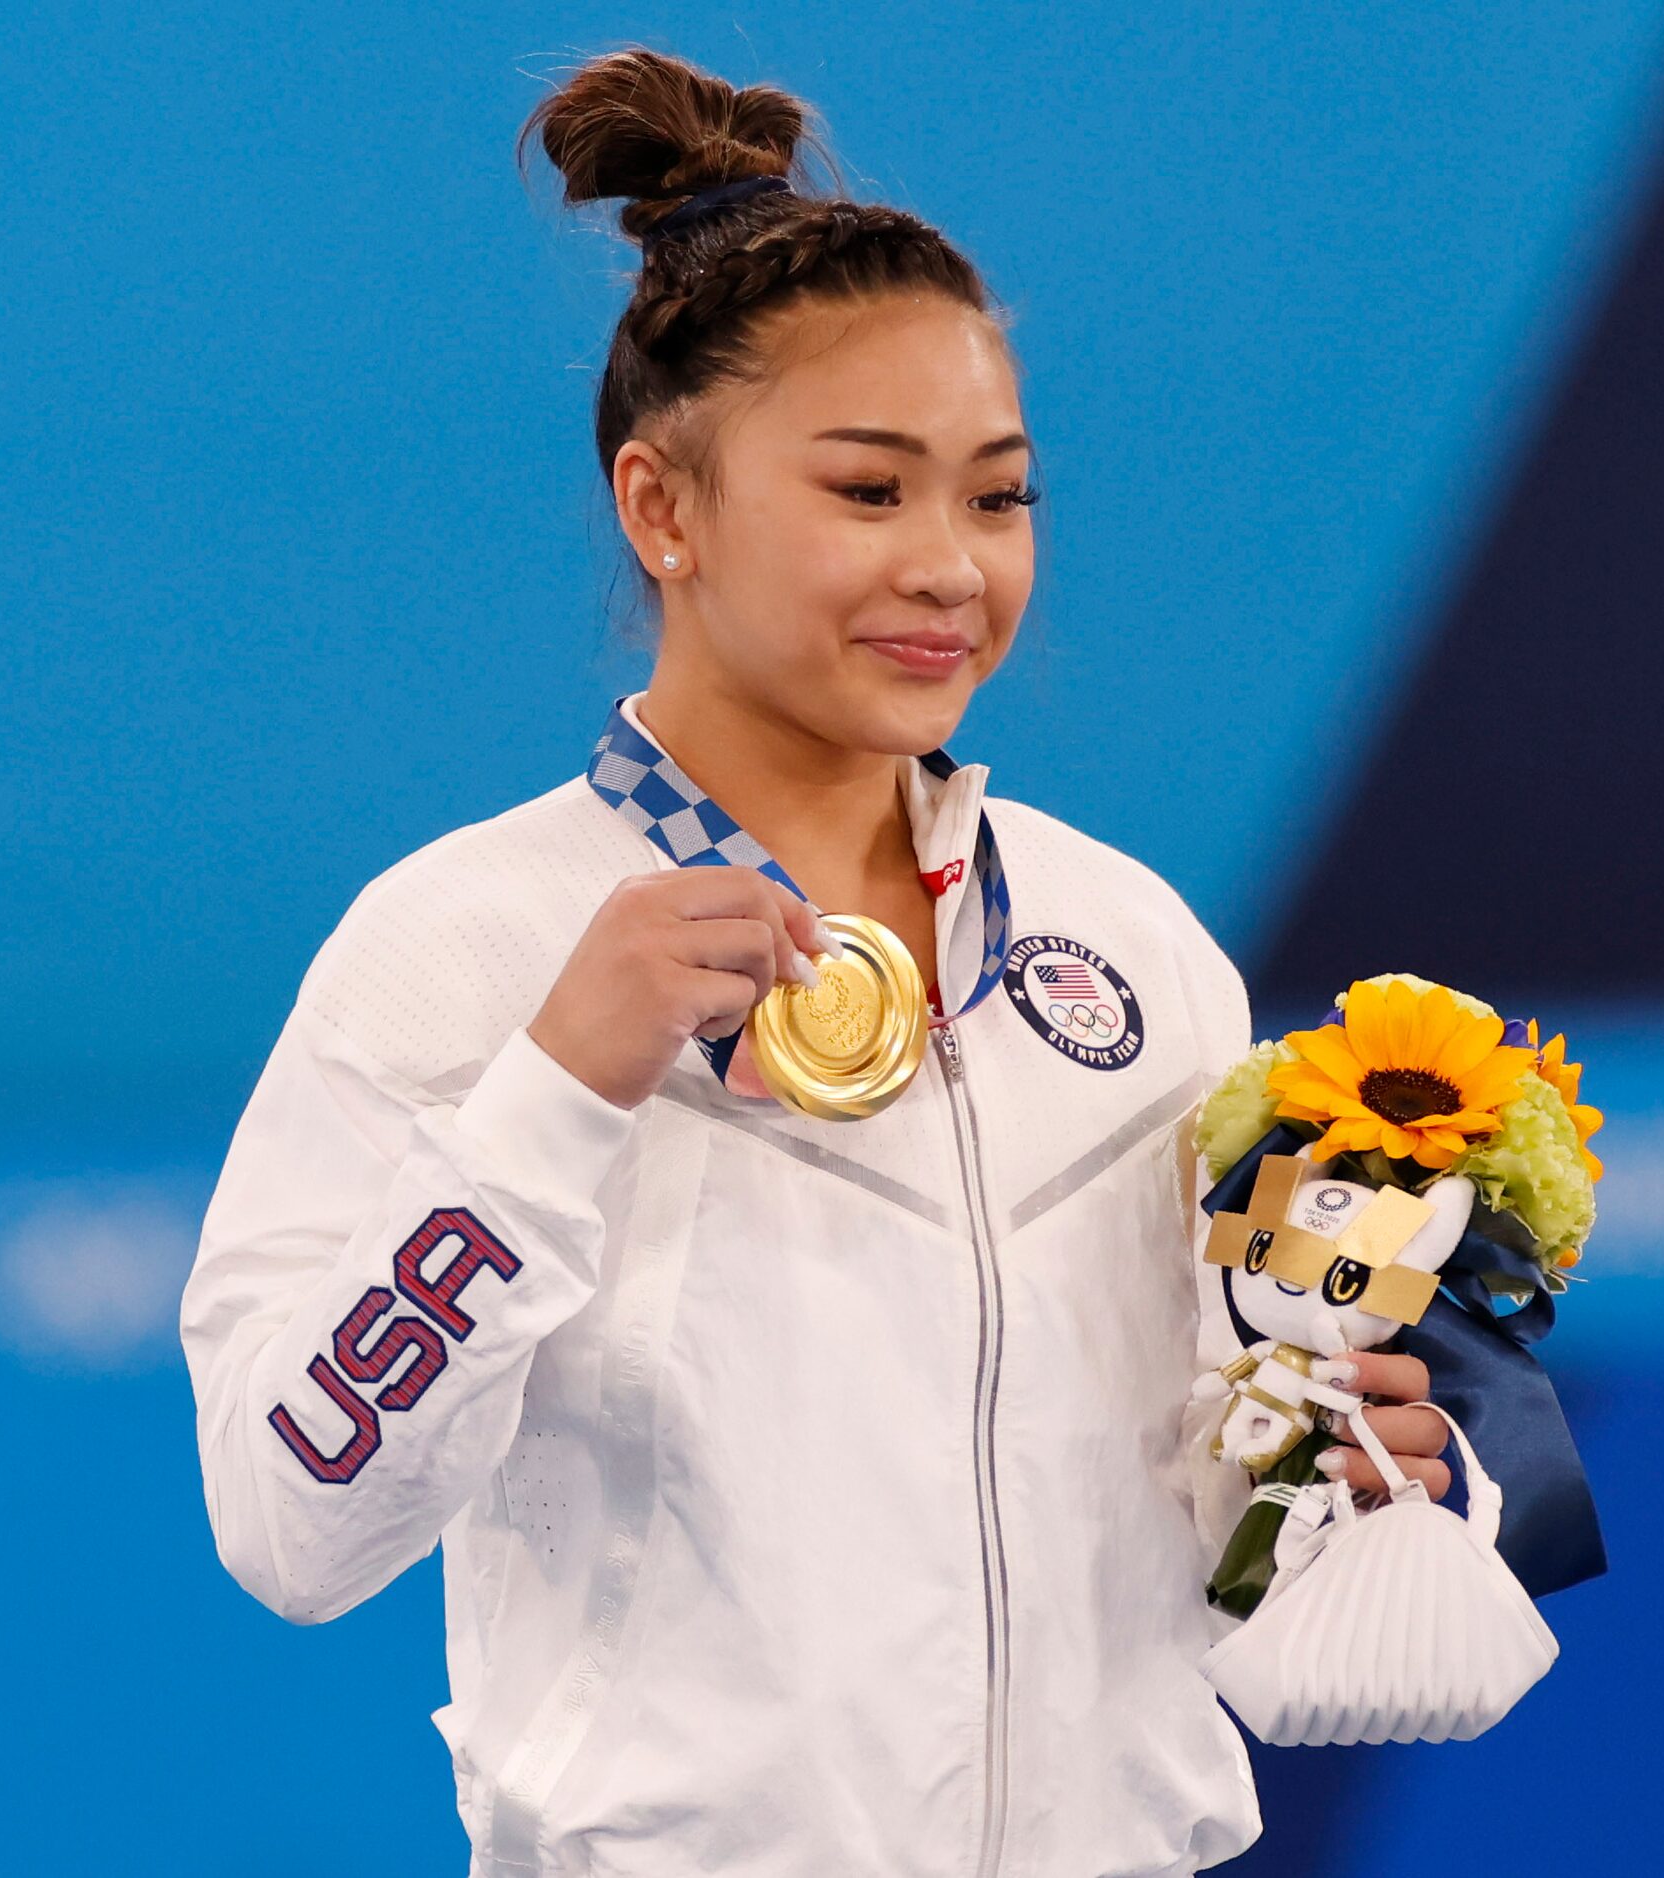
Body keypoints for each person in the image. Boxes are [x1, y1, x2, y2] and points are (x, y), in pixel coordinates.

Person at [177, 46, 1453, 1878]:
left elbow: (1203, 1561)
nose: (951, 567)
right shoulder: (462, 950)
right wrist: (552, 1096)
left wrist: (1339, 1485)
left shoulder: (1133, 948)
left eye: (998, 498)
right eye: (871, 492)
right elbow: (290, 1516)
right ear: (662, 509)